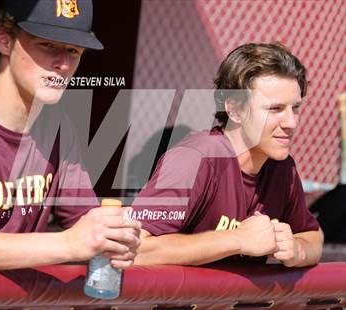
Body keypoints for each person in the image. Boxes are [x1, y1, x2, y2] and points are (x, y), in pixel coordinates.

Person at [0, 0, 140, 270]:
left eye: (74, 50)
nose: (63, 64)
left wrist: (115, 235)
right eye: (48, 44)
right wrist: (68, 244)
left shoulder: (59, 130)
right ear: (4, 41)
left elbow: (87, 226)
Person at [132, 42, 323, 267]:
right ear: (234, 109)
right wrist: (237, 239)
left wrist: (296, 249)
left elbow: (314, 237)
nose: (291, 122)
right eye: (275, 109)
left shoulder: (283, 168)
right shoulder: (193, 160)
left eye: (296, 108)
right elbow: (134, 249)